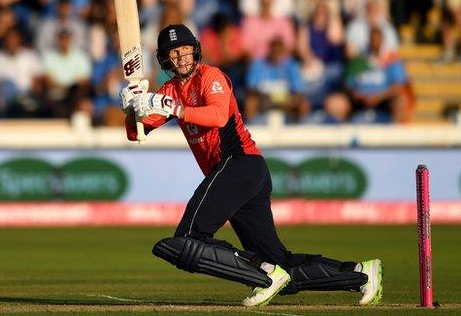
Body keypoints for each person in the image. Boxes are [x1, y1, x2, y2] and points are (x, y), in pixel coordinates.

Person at [119, 23, 383, 306]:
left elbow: (219, 116)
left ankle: (265, 273)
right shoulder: (169, 90)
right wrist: (132, 106)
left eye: (184, 49)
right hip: (238, 175)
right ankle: (361, 273)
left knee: (188, 237)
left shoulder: (211, 76)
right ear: (165, 59)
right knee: (280, 261)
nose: (181, 57)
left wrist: (174, 108)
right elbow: (136, 132)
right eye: (174, 52)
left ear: (194, 49)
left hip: (240, 163)